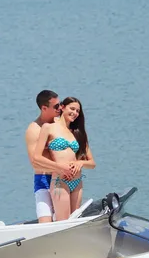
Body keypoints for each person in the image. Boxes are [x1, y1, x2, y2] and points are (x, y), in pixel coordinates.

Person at [34, 97, 96, 221]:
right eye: (72, 109)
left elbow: (92, 163)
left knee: (74, 221)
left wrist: (81, 162)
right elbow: (37, 157)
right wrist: (59, 167)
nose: (75, 113)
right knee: (63, 223)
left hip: (77, 182)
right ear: (62, 107)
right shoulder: (48, 127)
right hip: (59, 181)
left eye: (78, 111)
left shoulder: (77, 132)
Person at [25, 90, 70, 223]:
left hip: (62, 178)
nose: (60, 108)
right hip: (43, 179)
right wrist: (58, 167)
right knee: (45, 223)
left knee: (66, 220)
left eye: (60, 104)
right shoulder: (34, 130)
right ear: (44, 108)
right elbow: (34, 162)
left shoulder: (59, 124)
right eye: (56, 106)